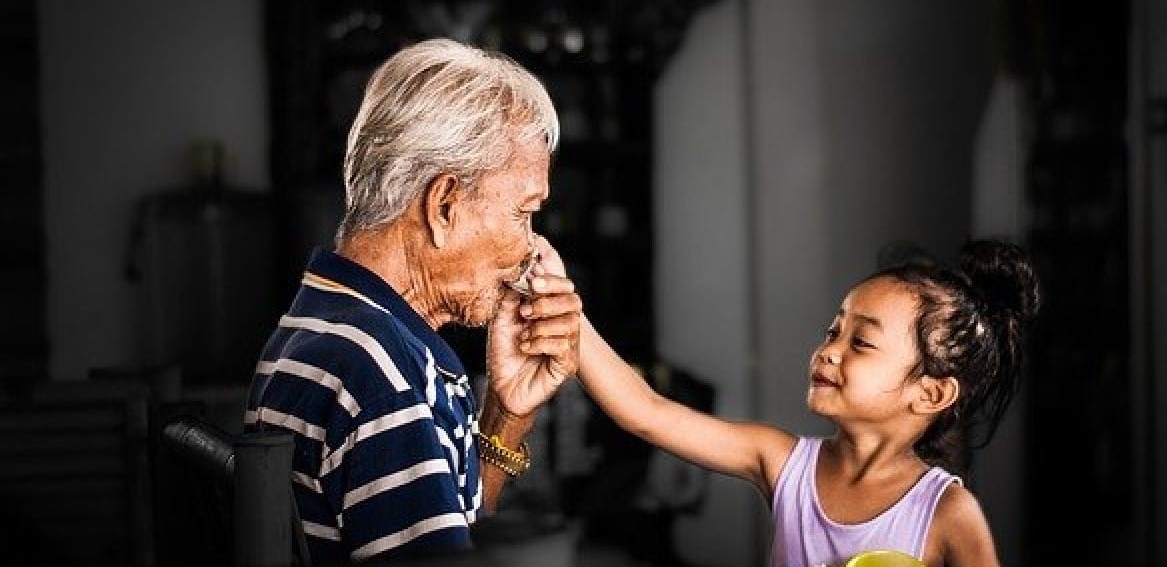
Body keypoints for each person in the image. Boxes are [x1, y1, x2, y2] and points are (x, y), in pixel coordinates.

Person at [244, 38, 583, 562]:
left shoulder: (318, 319)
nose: (530, 249)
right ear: (444, 204)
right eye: (523, 213)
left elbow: (453, 536)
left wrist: (507, 413)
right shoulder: (385, 379)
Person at [526, 238, 1040, 567]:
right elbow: (649, 413)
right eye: (833, 330)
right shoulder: (783, 462)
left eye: (860, 343)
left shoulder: (947, 513)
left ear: (930, 393)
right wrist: (568, 317)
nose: (828, 351)